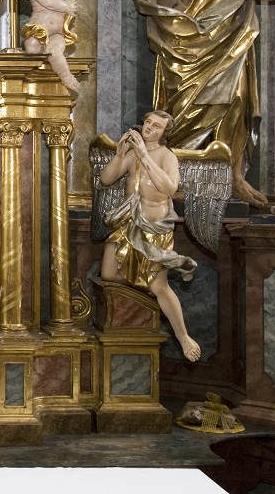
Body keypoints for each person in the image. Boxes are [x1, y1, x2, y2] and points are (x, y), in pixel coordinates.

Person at [97, 0, 275, 208]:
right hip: (179, 43)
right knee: (174, 115)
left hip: (228, 42)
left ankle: (234, 177)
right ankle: (176, 176)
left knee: (236, 100)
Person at [98, 111, 200, 362]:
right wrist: (121, 154)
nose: (150, 128)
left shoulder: (167, 156)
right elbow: (106, 178)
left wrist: (145, 155)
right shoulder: (131, 153)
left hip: (154, 227)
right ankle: (141, 287)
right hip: (127, 222)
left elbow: (169, 187)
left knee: (159, 286)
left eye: (157, 127)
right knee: (109, 274)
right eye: (148, 123)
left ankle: (183, 336)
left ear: (165, 134)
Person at [18, 0, 101, 93]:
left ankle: (65, 75)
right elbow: (49, 2)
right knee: (32, 48)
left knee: (55, 50)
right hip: (36, 31)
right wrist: (65, 6)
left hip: (57, 32)